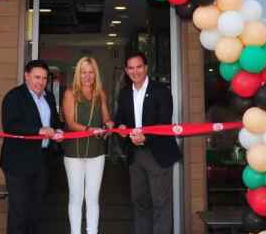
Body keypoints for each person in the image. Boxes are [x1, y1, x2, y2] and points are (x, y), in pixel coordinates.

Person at [113, 51, 182, 234]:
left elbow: (164, 121)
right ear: (126, 71)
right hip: (135, 156)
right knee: (139, 202)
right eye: (131, 68)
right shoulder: (125, 93)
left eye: (139, 67)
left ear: (146, 68)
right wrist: (120, 126)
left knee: (161, 203)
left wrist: (146, 137)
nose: (135, 71)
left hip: (157, 153)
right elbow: (120, 117)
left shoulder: (161, 91)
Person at [0, 59, 64, 234]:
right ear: (26, 76)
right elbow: (10, 126)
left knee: (36, 212)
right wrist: (39, 130)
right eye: (37, 77)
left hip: (42, 161)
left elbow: (55, 121)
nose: (41, 82)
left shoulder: (49, 97)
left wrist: (58, 131)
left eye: (44, 78)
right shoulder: (14, 96)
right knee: (19, 212)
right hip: (18, 163)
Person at [61, 56, 114, 234]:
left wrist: (109, 125)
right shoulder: (70, 93)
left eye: (91, 72)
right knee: (76, 197)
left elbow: (106, 117)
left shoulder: (101, 94)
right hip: (73, 153)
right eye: (84, 72)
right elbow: (70, 122)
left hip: (96, 152)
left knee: (92, 199)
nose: (87, 76)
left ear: (95, 74)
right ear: (78, 73)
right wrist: (90, 129)